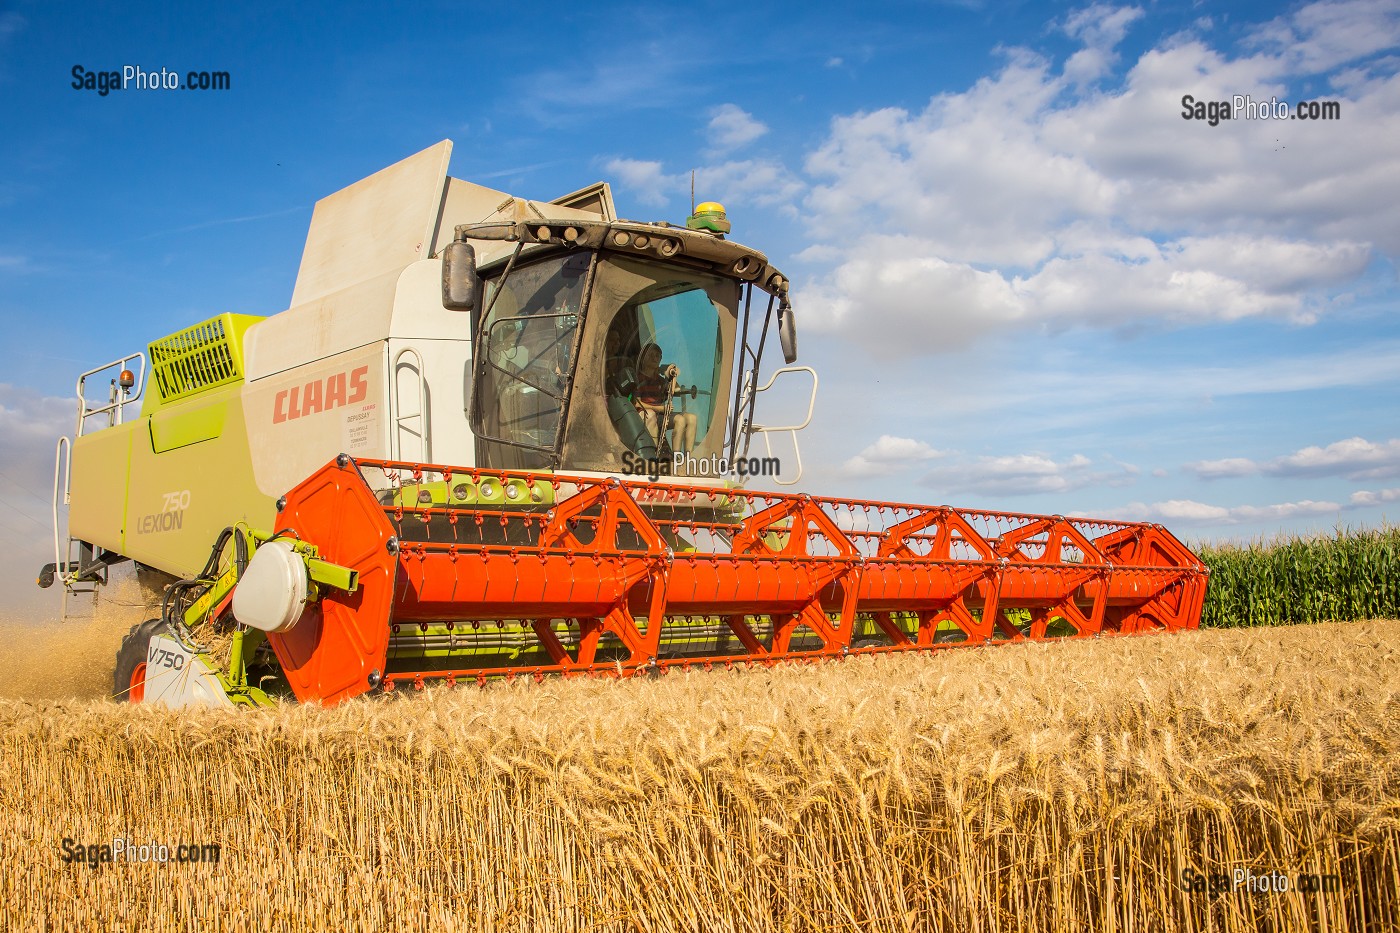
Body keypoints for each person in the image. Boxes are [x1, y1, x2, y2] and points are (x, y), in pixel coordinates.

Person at [633, 342, 697, 454]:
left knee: (691, 418)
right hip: (646, 415)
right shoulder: (638, 377)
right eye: (651, 355)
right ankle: (653, 456)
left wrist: (672, 374)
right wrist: (661, 408)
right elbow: (636, 404)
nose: (654, 358)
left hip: (661, 415)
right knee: (652, 414)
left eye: (657, 356)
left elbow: (676, 390)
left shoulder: (659, 380)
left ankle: (683, 458)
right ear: (643, 357)